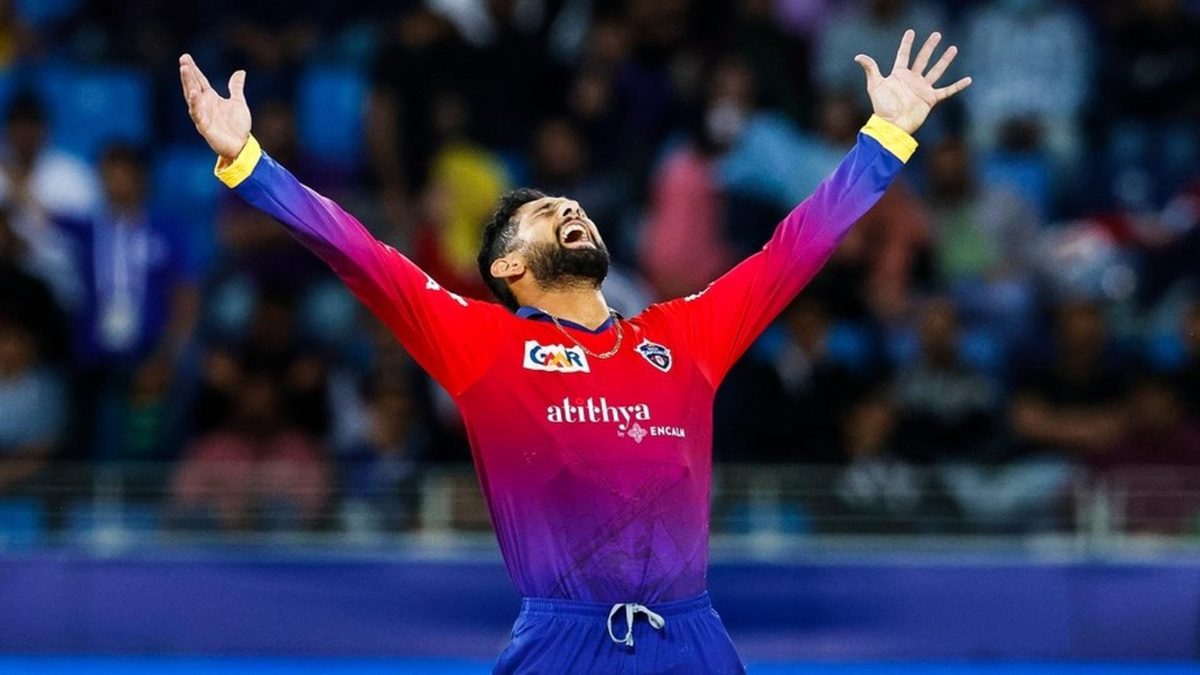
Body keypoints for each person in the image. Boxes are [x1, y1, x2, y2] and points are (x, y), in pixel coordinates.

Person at [179, 29, 971, 673]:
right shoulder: (482, 342)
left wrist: (884, 139)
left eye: (572, 205)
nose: (570, 209)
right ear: (506, 268)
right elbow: (358, 252)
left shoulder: (682, 336)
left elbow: (795, 248)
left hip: (692, 640)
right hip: (563, 641)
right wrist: (250, 164)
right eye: (544, 212)